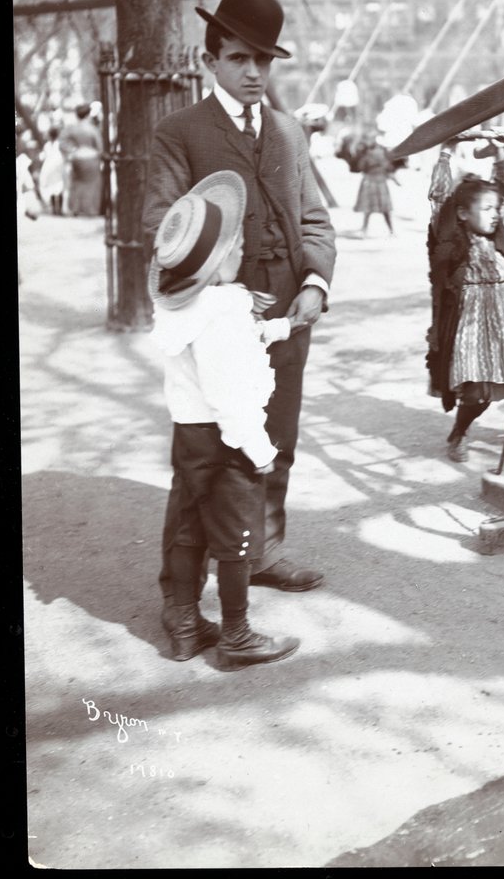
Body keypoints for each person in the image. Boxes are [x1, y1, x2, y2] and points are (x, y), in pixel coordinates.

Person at [144, 0, 336, 619]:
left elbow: (316, 223)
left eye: (264, 60)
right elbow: (161, 229)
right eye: (238, 58)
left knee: (273, 438)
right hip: (214, 316)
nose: (254, 72)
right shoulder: (180, 132)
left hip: (288, 312)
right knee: (205, 455)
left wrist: (314, 284)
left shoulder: (288, 132)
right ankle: (182, 598)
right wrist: (220, 293)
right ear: (211, 61)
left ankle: (261, 553)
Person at [148, 170, 299, 667]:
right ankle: (237, 634)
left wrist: (278, 328)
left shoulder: (187, 309)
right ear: (215, 265)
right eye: (234, 246)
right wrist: (258, 451)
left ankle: (187, 625)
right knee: (237, 537)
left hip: (190, 436)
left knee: (190, 525)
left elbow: (217, 359)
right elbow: (228, 392)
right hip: (226, 439)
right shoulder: (224, 311)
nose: (241, 252)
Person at [428, 174, 504, 462]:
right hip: (474, 327)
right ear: (462, 213)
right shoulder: (451, 243)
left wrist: (500, 159)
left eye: (496, 209)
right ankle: (459, 433)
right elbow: (438, 205)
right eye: (487, 209)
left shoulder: (496, 236)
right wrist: (446, 153)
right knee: (477, 393)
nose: (495, 215)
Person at [61, 102, 104, 216]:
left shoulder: (71, 128)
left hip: (77, 157)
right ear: (88, 114)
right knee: (93, 184)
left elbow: (62, 143)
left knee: (77, 183)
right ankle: (91, 210)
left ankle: (76, 208)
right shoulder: (92, 129)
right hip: (91, 157)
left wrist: (73, 151)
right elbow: (99, 146)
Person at [352, 132, 396, 236]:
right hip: (381, 182)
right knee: (385, 208)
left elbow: (360, 167)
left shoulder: (367, 155)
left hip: (369, 181)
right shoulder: (384, 155)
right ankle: (391, 231)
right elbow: (388, 169)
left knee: (367, 208)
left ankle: (364, 230)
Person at [39, 125, 66, 216]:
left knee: (52, 187)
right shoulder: (60, 144)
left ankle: (54, 209)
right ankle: (60, 209)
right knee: (59, 186)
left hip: (49, 166)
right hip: (58, 165)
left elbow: (43, 156)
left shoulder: (47, 145)